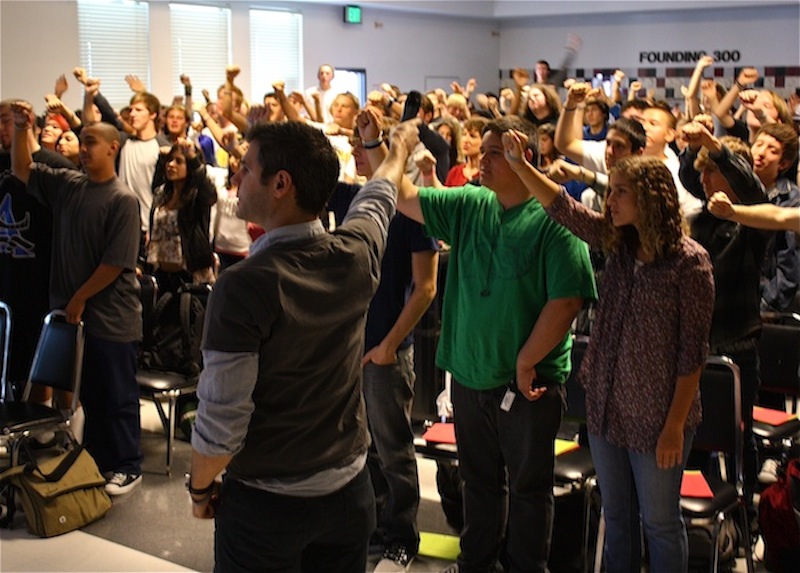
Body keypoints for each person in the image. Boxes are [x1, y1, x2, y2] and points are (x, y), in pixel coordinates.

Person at [361, 112, 596, 572]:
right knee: (479, 483)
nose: (481, 161)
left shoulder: (554, 218)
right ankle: (476, 563)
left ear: (522, 156)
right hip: (470, 373)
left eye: (493, 153)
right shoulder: (471, 203)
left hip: (527, 384)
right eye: (482, 151)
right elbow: (403, 197)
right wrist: (377, 145)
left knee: (529, 489)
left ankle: (526, 567)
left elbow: (567, 301)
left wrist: (527, 359)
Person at [187, 119, 421, 573]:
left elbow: (222, 423)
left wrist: (200, 489)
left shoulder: (243, 286)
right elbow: (379, 196)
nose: (236, 177)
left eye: (246, 168)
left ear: (280, 183)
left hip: (267, 508)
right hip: (349, 498)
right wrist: (397, 151)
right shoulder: (354, 254)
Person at [504, 123, 714, 571]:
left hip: (658, 417)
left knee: (659, 523)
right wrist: (522, 165)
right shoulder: (617, 244)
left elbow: (692, 355)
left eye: (620, 192)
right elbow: (560, 206)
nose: (609, 200)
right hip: (607, 407)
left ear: (651, 200)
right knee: (616, 517)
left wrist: (675, 426)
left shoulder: (690, 263)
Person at [11, 104, 143, 496]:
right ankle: (100, 461)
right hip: (74, 316)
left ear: (113, 148)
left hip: (111, 317)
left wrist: (80, 297)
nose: (83, 149)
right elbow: (23, 170)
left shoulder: (122, 199)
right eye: (81, 142)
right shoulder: (69, 186)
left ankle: (127, 465)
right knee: (92, 395)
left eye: (91, 142)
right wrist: (22, 128)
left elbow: (115, 262)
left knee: (117, 396)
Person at [328, 122, 440, 572]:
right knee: (359, 448)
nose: (359, 152)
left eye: (367, 147)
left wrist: (390, 345)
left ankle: (401, 537)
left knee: (393, 450)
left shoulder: (412, 215)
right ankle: (369, 530)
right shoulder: (345, 198)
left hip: (386, 350)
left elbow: (426, 288)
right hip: (349, 348)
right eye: (355, 145)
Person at [678, 121, 771, 518]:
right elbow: (687, 174)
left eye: (712, 169)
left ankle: (743, 512)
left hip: (736, 346)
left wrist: (717, 147)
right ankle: (703, 517)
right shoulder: (698, 221)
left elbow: (752, 190)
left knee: (738, 437)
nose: (703, 178)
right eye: (703, 170)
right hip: (696, 345)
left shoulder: (753, 222)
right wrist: (696, 146)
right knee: (692, 436)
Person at [146, 139, 217, 293]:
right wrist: (161, 159)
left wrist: (192, 158)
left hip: (190, 275)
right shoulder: (161, 193)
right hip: (161, 274)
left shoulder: (198, 196)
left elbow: (210, 194)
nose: (171, 165)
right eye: (170, 160)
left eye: (179, 161)